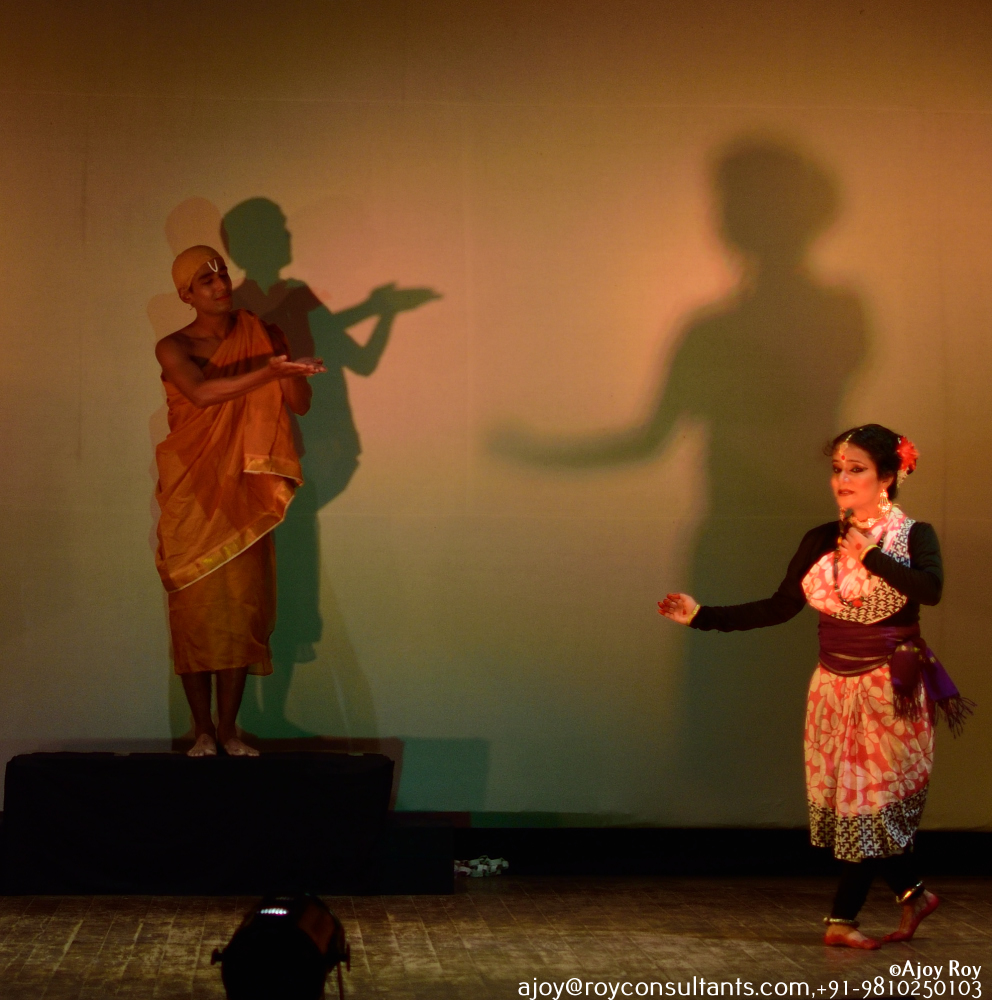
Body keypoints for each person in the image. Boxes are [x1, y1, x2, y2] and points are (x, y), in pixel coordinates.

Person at [659, 424, 971, 948]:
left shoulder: (913, 535)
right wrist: (701, 615)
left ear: (887, 477)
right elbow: (780, 606)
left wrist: (870, 556)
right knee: (853, 804)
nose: (842, 480)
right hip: (833, 688)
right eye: (837, 469)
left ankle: (842, 921)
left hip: (888, 686)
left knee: (868, 800)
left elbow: (931, 589)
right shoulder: (820, 539)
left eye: (857, 469)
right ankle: (913, 894)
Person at [154, 245, 326, 757]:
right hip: (193, 492)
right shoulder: (172, 346)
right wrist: (269, 373)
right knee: (194, 613)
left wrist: (288, 372)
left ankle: (229, 730)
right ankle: (201, 730)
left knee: (239, 612)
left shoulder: (262, 334)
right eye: (205, 280)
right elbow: (202, 394)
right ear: (186, 294)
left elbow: (300, 405)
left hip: (245, 491)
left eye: (222, 274)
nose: (220, 285)